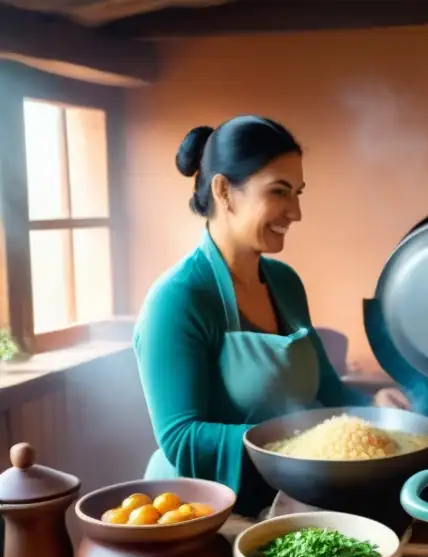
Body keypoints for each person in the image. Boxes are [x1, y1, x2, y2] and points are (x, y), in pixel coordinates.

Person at [134, 115, 409, 515]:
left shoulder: (285, 283)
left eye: (298, 193)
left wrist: (371, 404)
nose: (295, 212)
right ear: (224, 191)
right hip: (203, 511)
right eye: (279, 192)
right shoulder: (178, 300)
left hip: (293, 493)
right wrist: (302, 443)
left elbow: (327, 391)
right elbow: (181, 437)